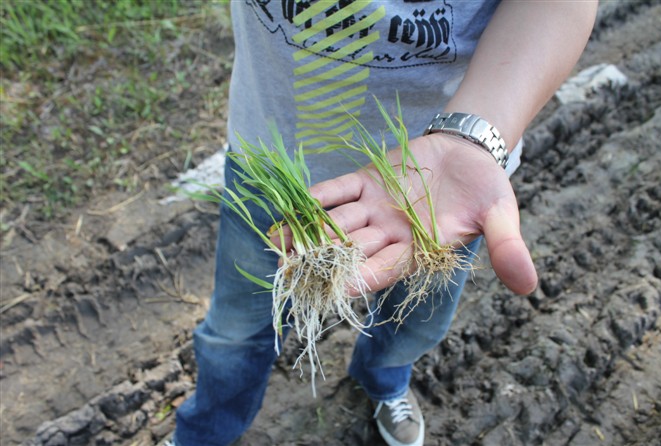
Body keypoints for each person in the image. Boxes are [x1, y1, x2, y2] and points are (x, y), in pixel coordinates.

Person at [167, 2, 598, 446]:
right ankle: (206, 431)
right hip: (271, 164)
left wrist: (473, 137)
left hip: (437, 187)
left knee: (415, 319)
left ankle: (383, 379)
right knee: (237, 328)